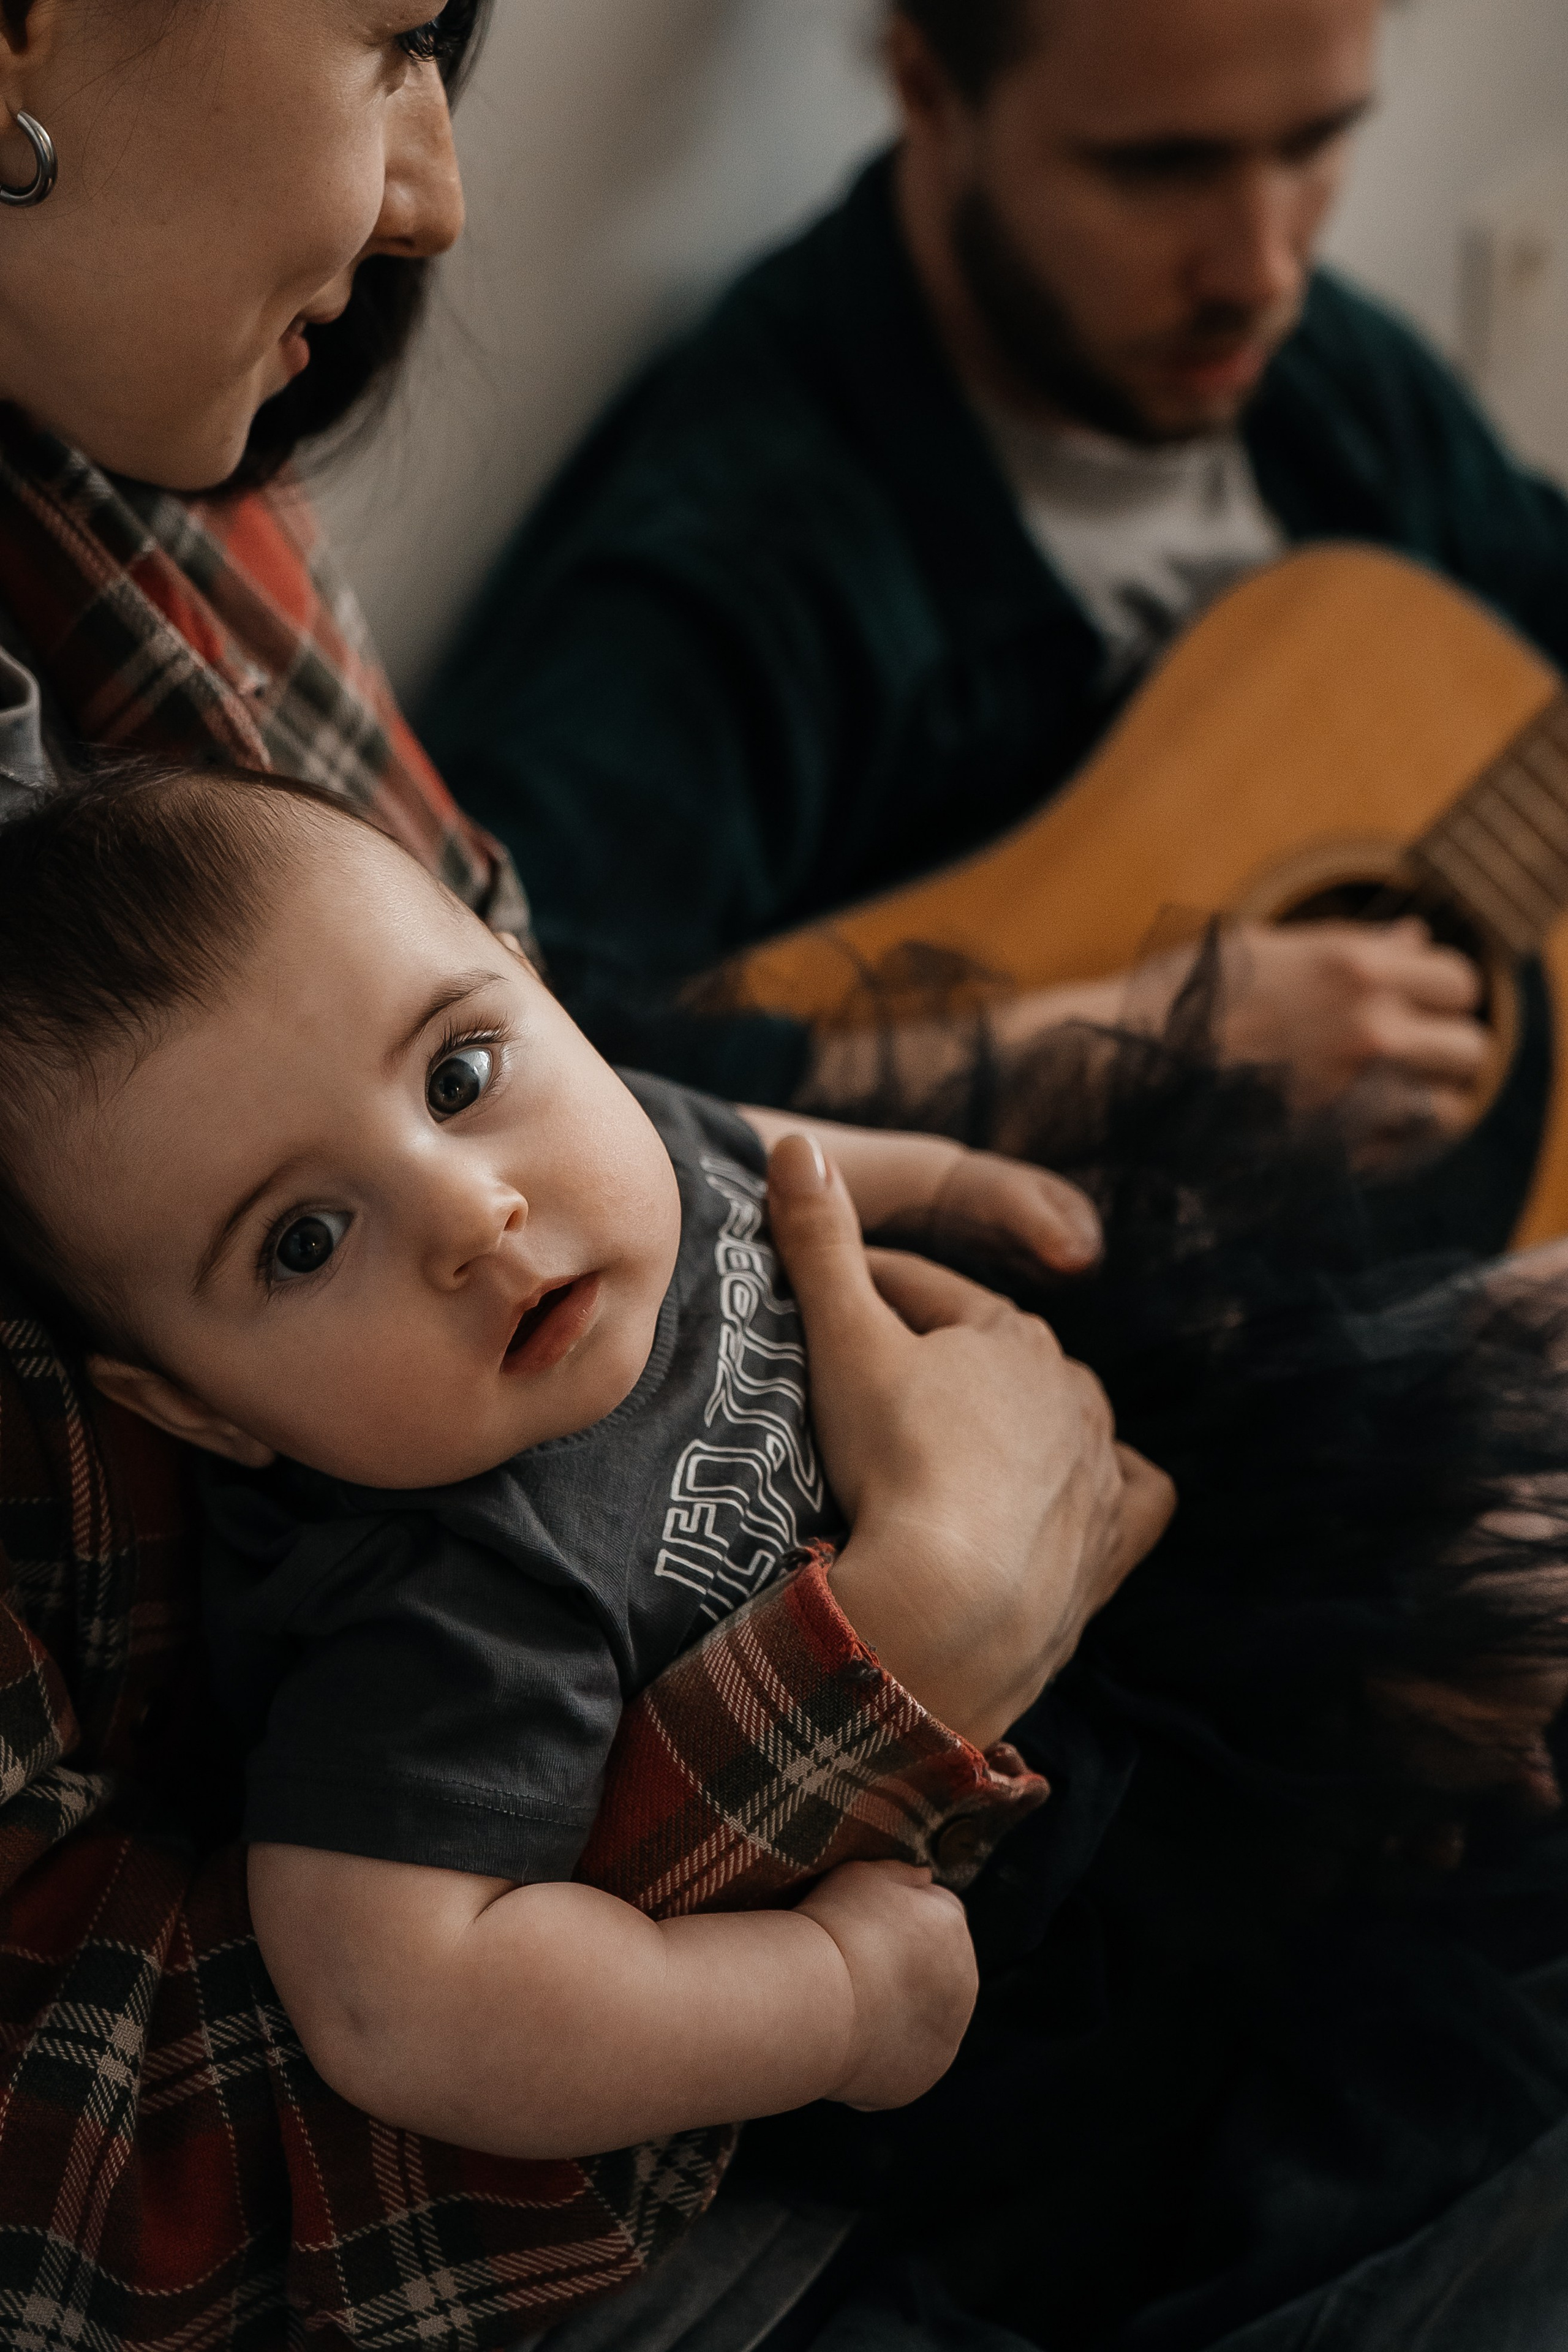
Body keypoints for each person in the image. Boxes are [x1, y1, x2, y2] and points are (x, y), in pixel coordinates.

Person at [0, 4, 1153, 2346]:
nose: (436, 195)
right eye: (382, 31)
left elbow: (624, 1084)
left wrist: (1000, 1141)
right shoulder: (430, 1649)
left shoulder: (142, 445)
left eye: (454, 1087)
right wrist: (877, 1711)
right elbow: (238, 2112)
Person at [421, 0, 1568, 1256]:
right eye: (1157, 169)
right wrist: (1119, 1056)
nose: (1261, 272)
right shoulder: (735, 554)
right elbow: (501, 1066)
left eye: (1312, 145)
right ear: (927, 86)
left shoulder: (1326, 384)